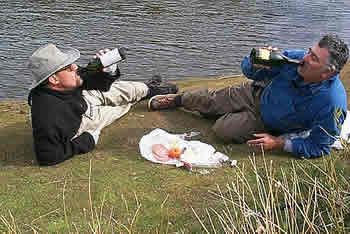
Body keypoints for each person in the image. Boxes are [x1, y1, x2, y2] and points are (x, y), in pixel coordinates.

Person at [148, 34, 349, 159]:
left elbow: (321, 146)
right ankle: (177, 99)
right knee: (207, 99)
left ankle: (218, 112)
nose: (304, 58)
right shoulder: (295, 58)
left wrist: (280, 143)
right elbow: (248, 70)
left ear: (327, 73)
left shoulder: (332, 103)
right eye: (309, 51)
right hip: (255, 93)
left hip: (268, 123)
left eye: (313, 58)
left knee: (223, 130)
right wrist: (256, 63)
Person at [28, 43, 178, 166]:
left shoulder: (67, 80)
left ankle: (149, 89)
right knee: (122, 106)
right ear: (54, 79)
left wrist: (107, 69)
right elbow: (48, 156)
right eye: (68, 67)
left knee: (120, 89)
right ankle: (141, 96)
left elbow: (87, 73)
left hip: (82, 99)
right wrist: (88, 140)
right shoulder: (48, 114)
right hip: (82, 121)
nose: (75, 67)